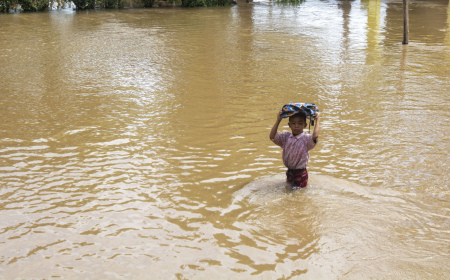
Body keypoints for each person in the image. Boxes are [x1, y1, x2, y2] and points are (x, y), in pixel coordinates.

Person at [269, 109, 320, 190]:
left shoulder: (306, 139)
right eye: (293, 123)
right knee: (289, 192)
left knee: (298, 193)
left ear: (305, 125)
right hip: (289, 172)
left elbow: (315, 136)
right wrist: (278, 120)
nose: (296, 126)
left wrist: (317, 120)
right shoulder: (285, 137)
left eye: (300, 123)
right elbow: (272, 137)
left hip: (301, 174)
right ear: (289, 125)